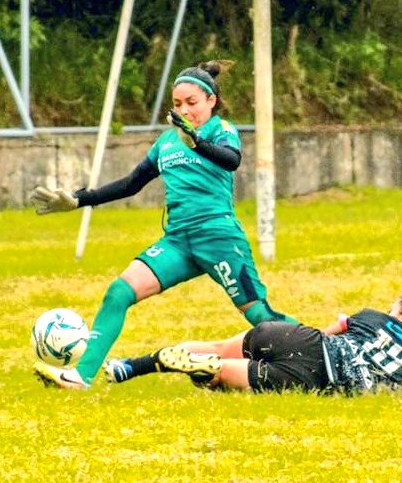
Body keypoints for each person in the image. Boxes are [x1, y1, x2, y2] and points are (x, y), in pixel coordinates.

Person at [31, 61, 297, 390]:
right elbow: (131, 184)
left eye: (192, 103)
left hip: (217, 238)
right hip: (178, 242)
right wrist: (78, 199)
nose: (184, 110)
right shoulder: (166, 143)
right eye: (177, 104)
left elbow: (232, 160)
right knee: (119, 292)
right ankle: (80, 377)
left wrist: (196, 141)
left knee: (260, 317)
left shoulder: (221, 129)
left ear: (211, 101)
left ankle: (328, 349)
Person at [103, 293, 402, 395]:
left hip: (299, 338)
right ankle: (207, 374)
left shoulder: (370, 318)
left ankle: (130, 367)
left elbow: (331, 331)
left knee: (217, 346)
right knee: (226, 375)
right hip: (315, 376)